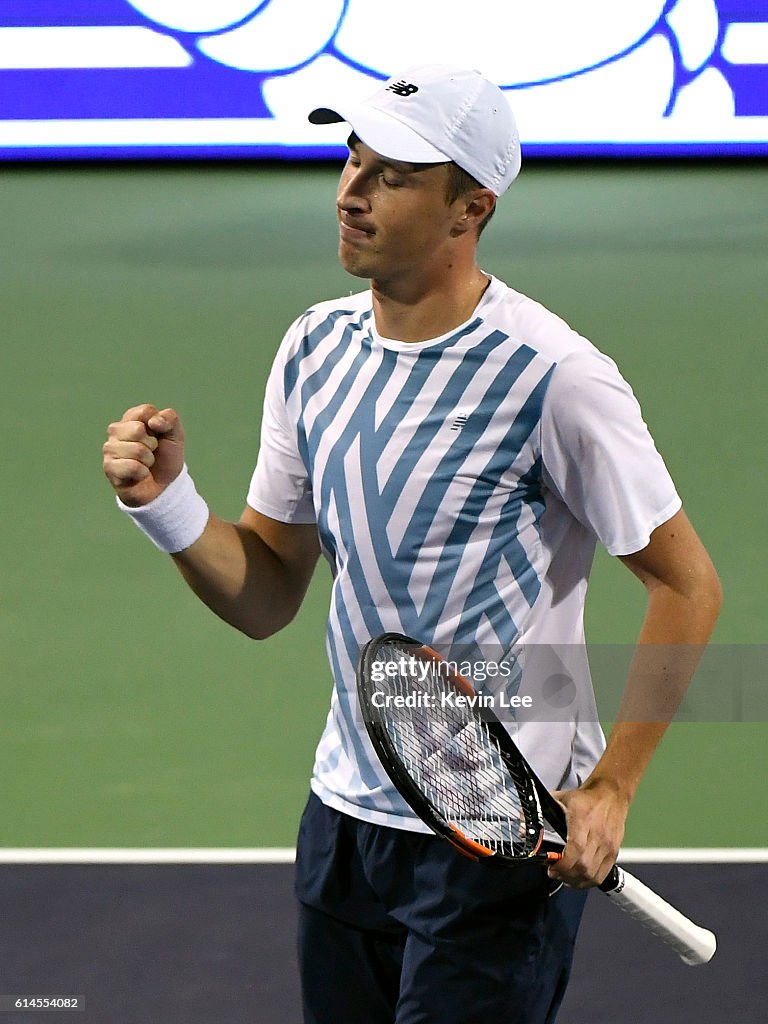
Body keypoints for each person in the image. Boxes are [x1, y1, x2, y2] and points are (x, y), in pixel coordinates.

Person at [102, 64, 722, 1023]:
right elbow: (267, 597)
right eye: (352, 157)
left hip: (499, 843)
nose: (351, 191)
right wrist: (168, 505)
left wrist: (609, 790)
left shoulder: (556, 377)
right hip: (345, 821)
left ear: (469, 206)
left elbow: (687, 586)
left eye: (393, 175)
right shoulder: (313, 349)